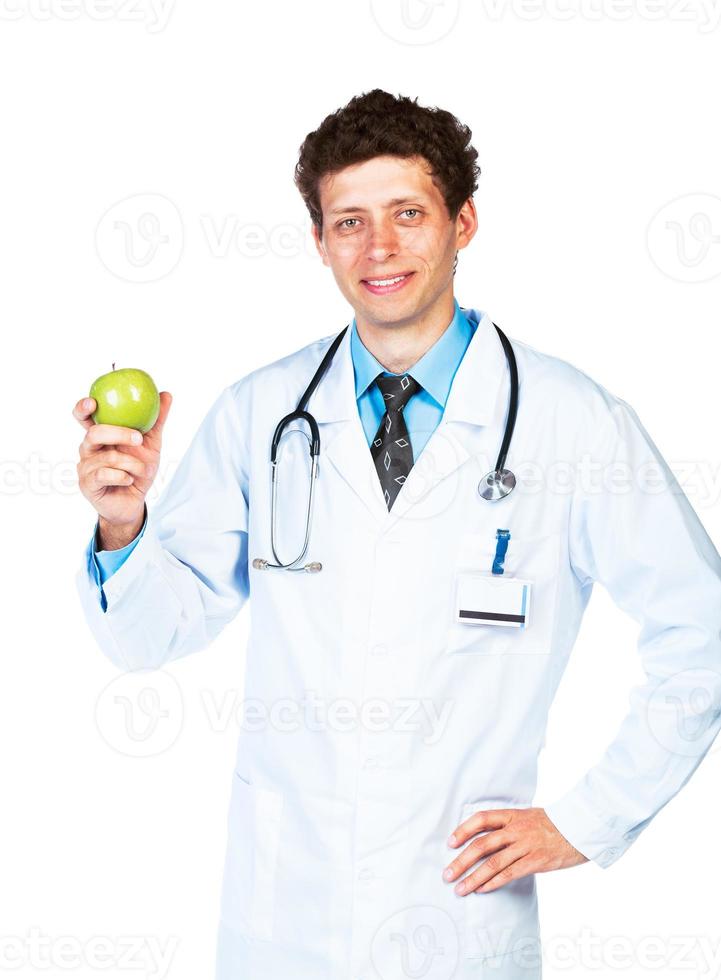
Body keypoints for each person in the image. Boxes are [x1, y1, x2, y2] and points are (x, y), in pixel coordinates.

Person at [73, 89, 721, 980]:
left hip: (458, 921)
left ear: (463, 222)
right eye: (348, 222)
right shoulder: (260, 414)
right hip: (284, 922)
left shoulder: (575, 425)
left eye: (407, 214)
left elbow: (704, 632)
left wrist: (588, 819)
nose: (378, 249)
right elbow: (148, 637)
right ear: (319, 241)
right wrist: (122, 521)